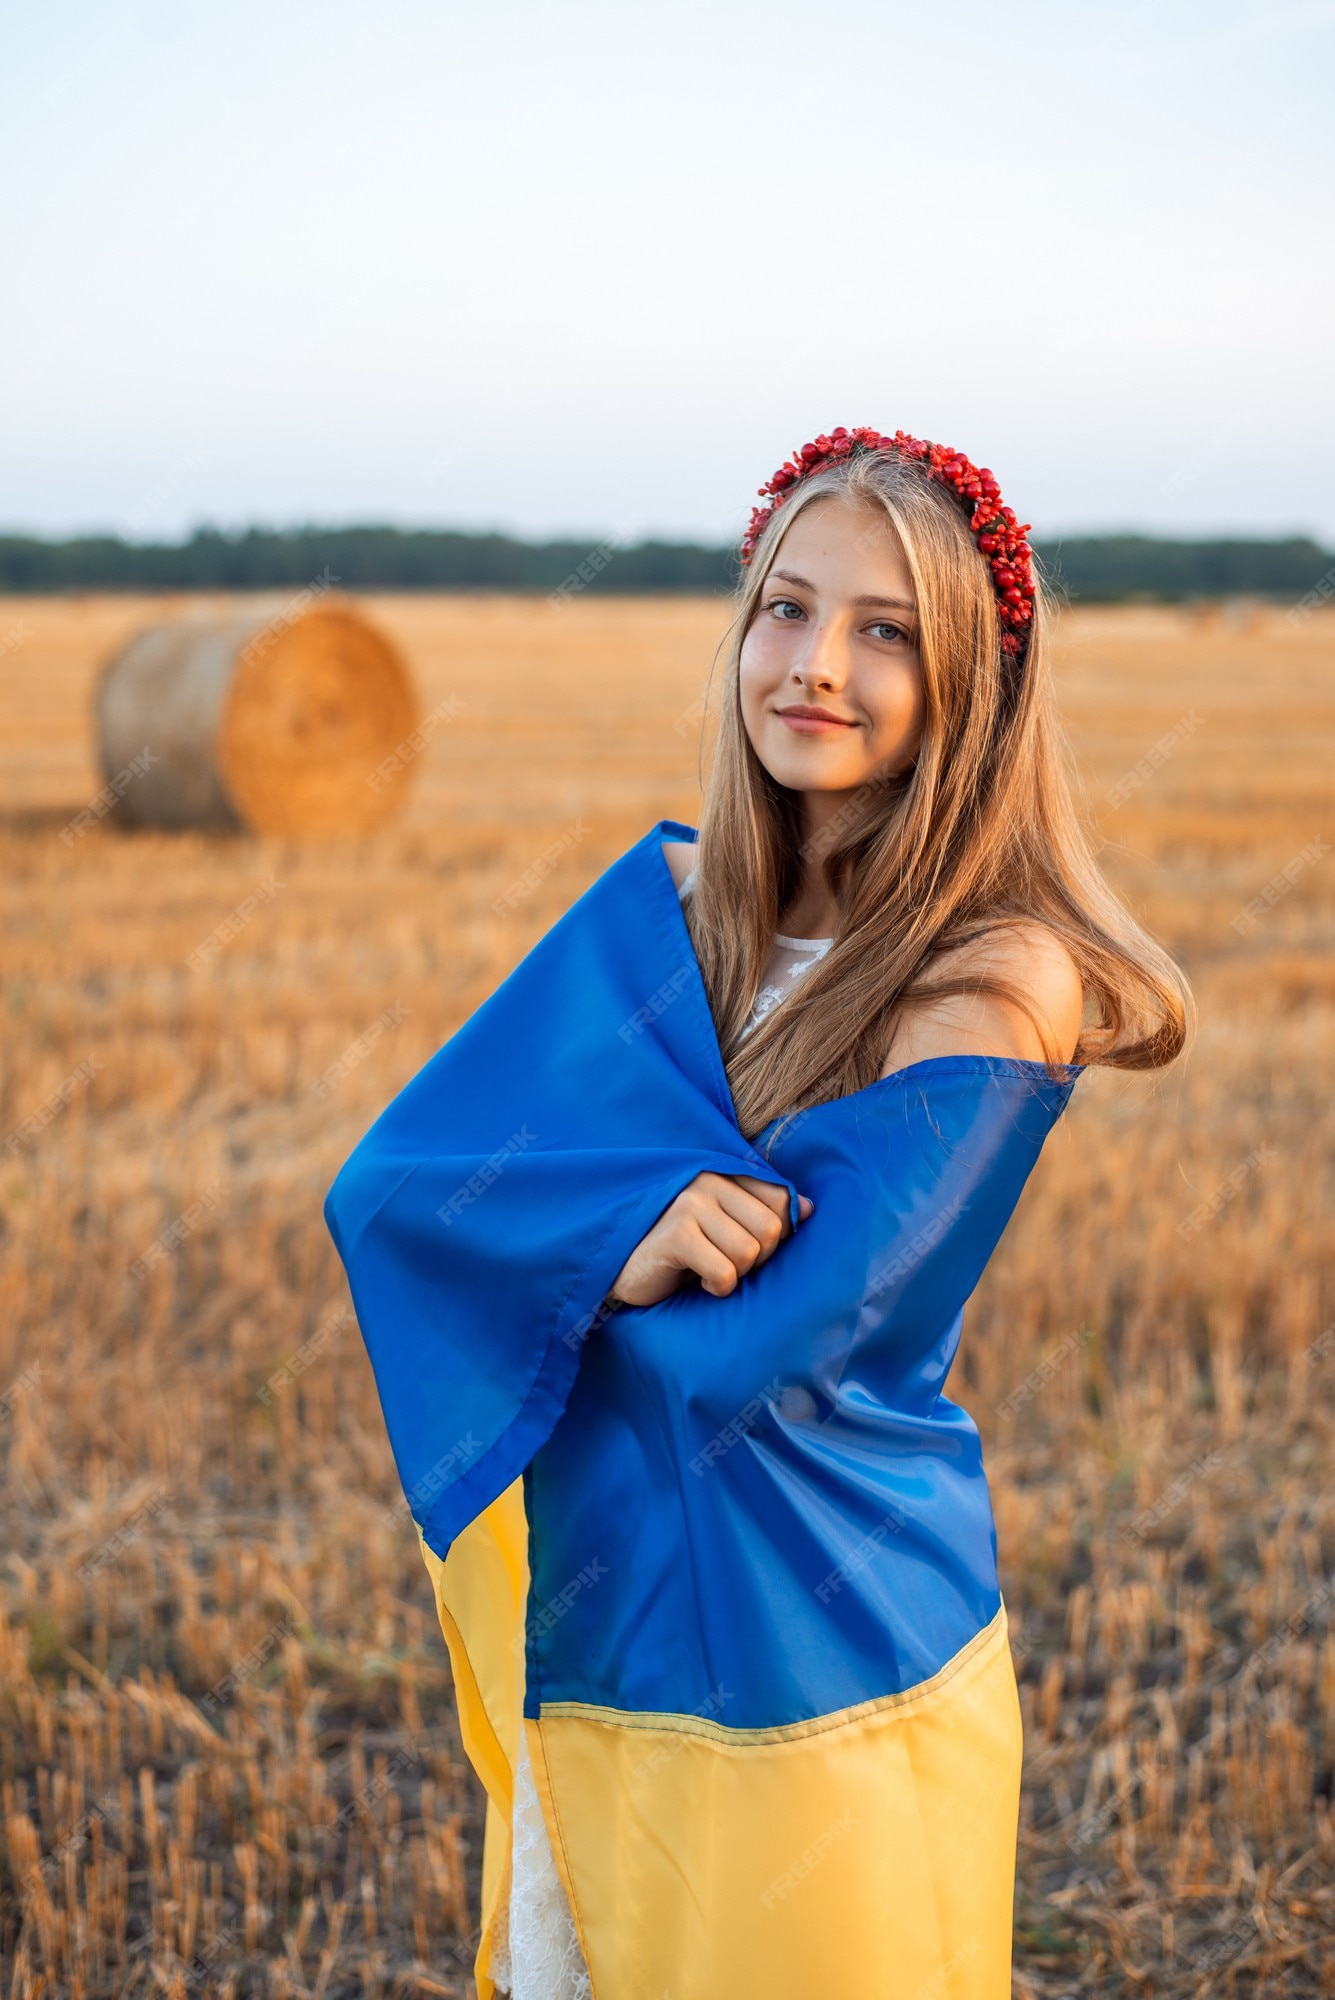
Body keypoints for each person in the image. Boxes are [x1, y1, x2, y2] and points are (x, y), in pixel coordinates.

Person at [324, 426, 1191, 2000]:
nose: (814, 667)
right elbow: (395, 1192)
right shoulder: (655, 907)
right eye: (784, 610)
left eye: (884, 633)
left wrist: (570, 1252)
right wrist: (624, 1234)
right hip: (605, 1648)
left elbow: (772, 1349)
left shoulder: (992, 982)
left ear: (970, 683)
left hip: (830, 1654)